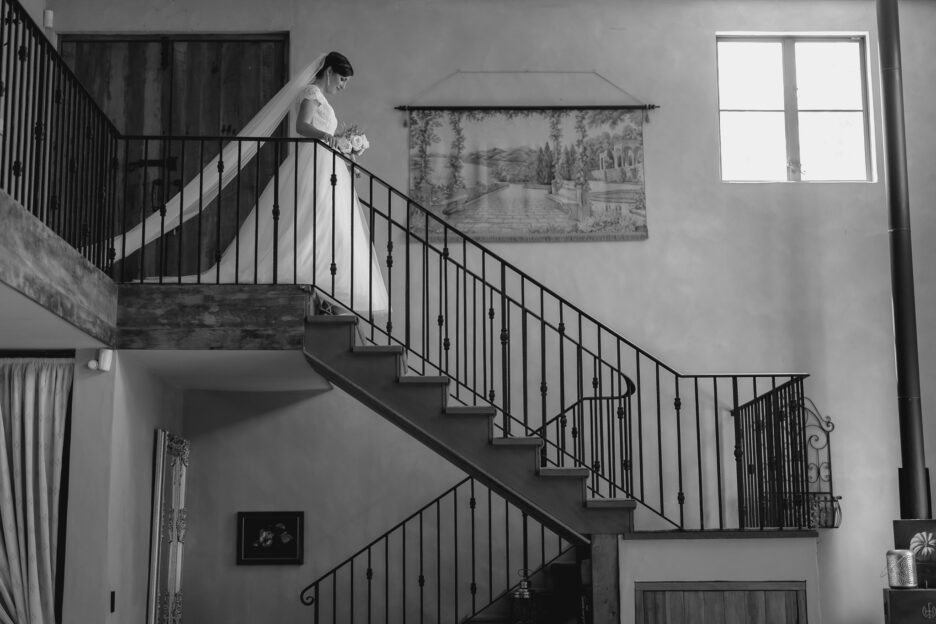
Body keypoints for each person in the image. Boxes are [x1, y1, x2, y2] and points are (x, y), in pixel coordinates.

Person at [111, 52, 389, 315]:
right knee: (314, 218)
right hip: (313, 163)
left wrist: (342, 152)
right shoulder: (312, 93)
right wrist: (332, 140)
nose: (343, 86)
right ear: (329, 72)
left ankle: (328, 287)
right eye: (342, 80)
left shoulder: (321, 98)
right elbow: (302, 127)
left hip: (324, 164)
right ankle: (311, 277)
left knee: (327, 222)